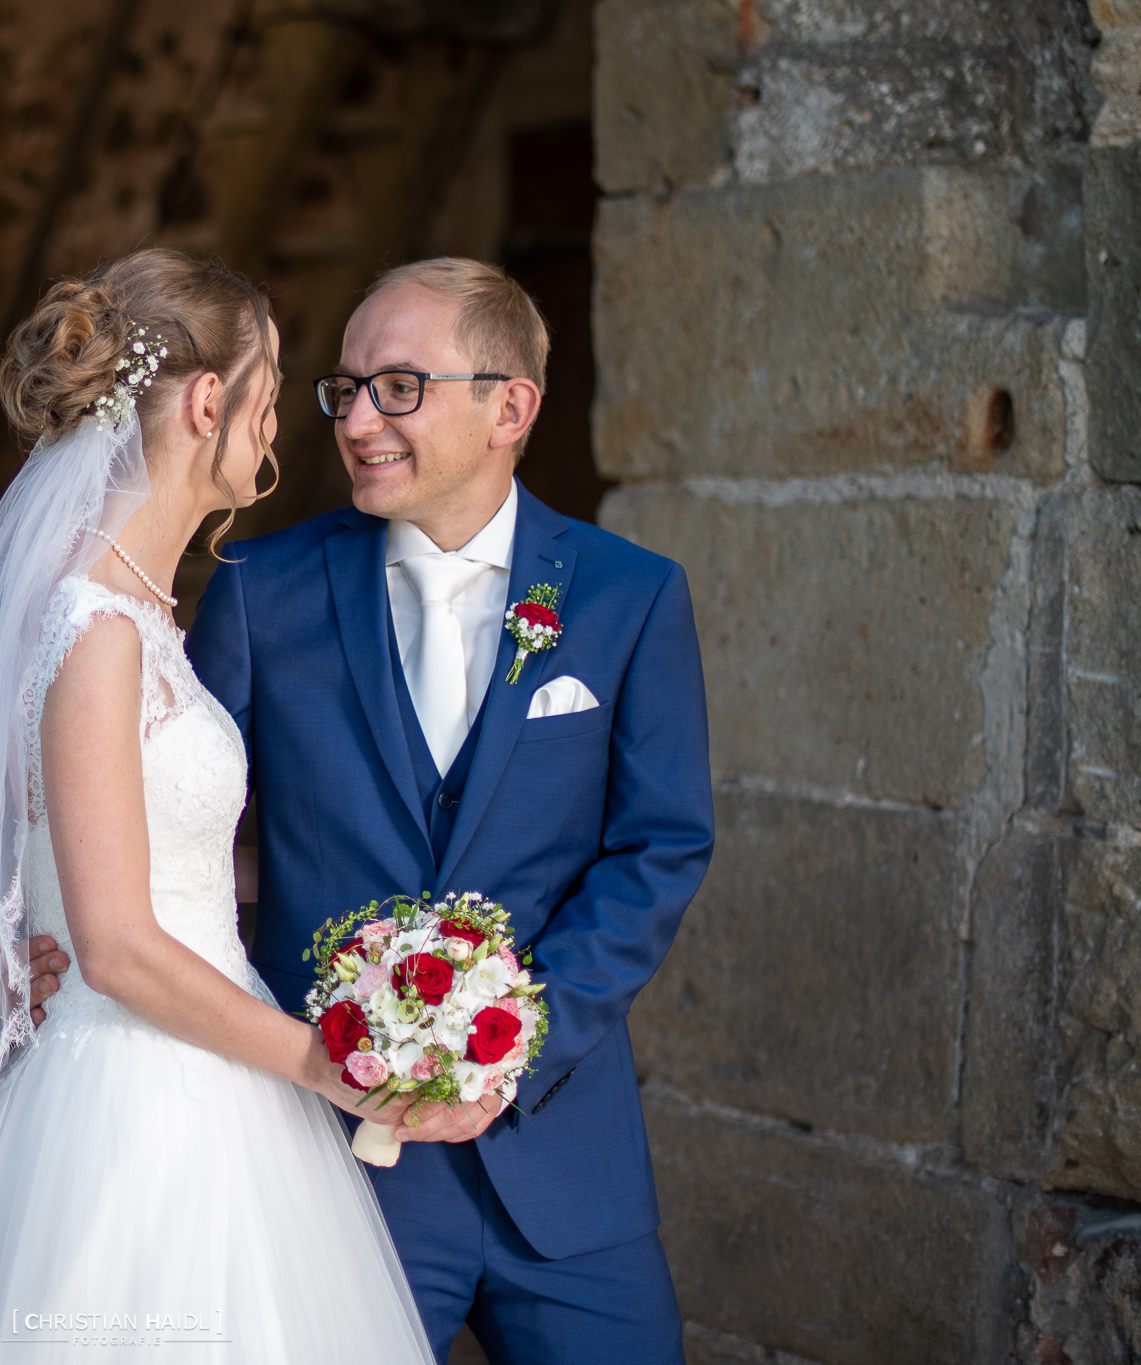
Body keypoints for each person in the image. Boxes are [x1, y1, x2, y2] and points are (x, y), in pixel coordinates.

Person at [0, 248, 434, 1364]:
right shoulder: (95, 630)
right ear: (208, 401)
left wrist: (7, 949)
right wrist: (321, 1061)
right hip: (144, 1097)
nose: (274, 428)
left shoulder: (116, 614)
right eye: (267, 395)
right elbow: (111, 947)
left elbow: (13, 852)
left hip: (191, 1063)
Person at [177, 256, 718, 1362]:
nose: (358, 420)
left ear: (508, 406)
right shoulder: (257, 589)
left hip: (561, 1164)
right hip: (323, 1154)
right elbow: (187, 830)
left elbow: (657, 847)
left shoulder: (627, 594)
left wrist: (514, 1043)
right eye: (345, 390)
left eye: (399, 387)